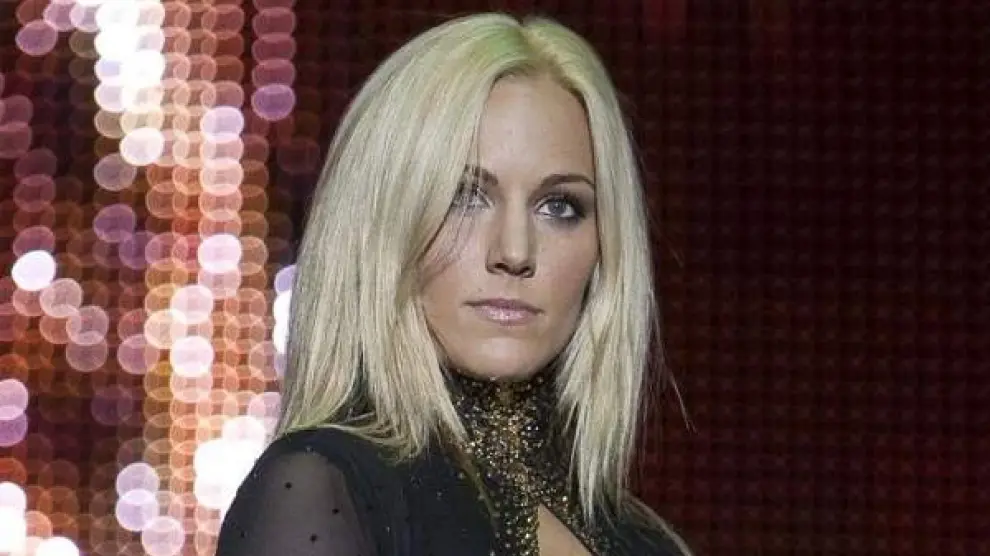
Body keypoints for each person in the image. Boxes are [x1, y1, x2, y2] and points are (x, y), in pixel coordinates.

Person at [215, 12, 691, 556]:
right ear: (385, 223)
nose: (514, 252)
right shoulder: (323, 490)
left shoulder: (646, 540)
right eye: (466, 196)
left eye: (559, 206)